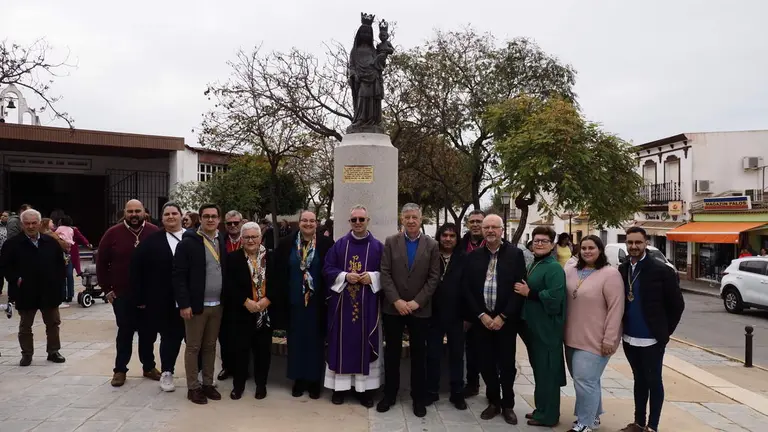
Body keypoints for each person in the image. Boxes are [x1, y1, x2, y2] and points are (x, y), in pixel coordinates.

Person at [619, 227, 685, 432]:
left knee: (654, 381)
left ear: (646, 243)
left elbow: (677, 305)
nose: (633, 246)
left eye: (638, 242)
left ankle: (652, 426)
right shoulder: (623, 269)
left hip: (652, 340)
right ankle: (639, 422)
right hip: (629, 337)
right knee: (639, 380)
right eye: (630, 242)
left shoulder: (661, 270)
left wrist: (664, 332)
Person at [377, 203, 440, 418]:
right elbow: (384, 273)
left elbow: (434, 277)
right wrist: (396, 301)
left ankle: (418, 397)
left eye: (415, 217)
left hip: (419, 310)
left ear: (421, 219)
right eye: (407, 217)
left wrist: (416, 302)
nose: (411, 221)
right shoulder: (390, 242)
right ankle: (390, 394)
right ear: (401, 220)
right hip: (393, 308)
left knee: (418, 355)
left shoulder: (432, 245)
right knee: (392, 353)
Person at [463, 214, 526, 425]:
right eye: (486, 227)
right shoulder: (473, 257)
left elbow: (519, 290)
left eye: (494, 227)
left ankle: (508, 404)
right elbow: (468, 290)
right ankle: (493, 401)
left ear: (501, 230)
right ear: (481, 230)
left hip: (505, 322)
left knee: (507, 365)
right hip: (482, 321)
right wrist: (481, 315)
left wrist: (502, 316)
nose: (490, 231)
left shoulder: (515, 255)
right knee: (486, 363)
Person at [323, 204, 384, 407]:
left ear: (368, 221)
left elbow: (389, 273)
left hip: (367, 306)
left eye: (361, 219)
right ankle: (339, 389)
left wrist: (374, 277)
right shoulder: (339, 245)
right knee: (342, 344)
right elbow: (327, 269)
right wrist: (344, 276)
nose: (358, 223)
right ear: (349, 222)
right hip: (342, 308)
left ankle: (363, 391)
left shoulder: (377, 247)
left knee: (364, 344)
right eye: (354, 220)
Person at [97, 200, 161, 387]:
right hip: (122, 294)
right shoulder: (112, 233)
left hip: (149, 294)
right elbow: (101, 263)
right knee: (125, 332)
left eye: (137, 211)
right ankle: (120, 370)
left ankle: (148, 366)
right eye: (130, 211)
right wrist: (107, 289)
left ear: (144, 213)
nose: (134, 214)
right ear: (124, 213)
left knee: (148, 333)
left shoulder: (154, 232)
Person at [271, 210, 334, 399]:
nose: (308, 224)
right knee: (296, 341)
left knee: (315, 341)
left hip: (317, 304)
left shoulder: (326, 244)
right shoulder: (286, 243)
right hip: (294, 302)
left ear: (317, 223)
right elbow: (279, 273)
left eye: (312, 221)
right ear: (299, 223)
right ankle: (298, 379)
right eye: (305, 220)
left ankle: (314, 381)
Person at [564, 235, 625, 432]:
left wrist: (610, 339)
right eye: (584, 248)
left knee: (585, 381)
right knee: (587, 380)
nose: (587, 251)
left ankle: (585, 423)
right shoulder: (571, 270)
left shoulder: (610, 274)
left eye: (592, 247)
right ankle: (594, 416)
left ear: (600, 250)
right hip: (572, 337)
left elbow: (616, 309)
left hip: (596, 340)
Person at [173, 203, 228, 404]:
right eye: (206, 216)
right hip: (196, 306)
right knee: (193, 347)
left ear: (219, 219)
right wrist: (184, 304)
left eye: (214, 216)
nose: (210, 220)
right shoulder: (188, 243)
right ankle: (193, 387)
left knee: (211, 346)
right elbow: (179, 276)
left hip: (217, 305)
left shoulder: (220, 240)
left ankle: (207, 383)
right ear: (201, 219)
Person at [131, 202, 189, 392]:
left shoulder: (193, 238)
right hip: (165, 301)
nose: (171, 217)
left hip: (192, 299)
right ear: (161, 218)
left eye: (174, 213)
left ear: (181, 216)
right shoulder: (152, 241)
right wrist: (140, 298)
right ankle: (167, 373)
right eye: (166, 214)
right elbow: (137, 270)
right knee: (169, 339)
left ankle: (198, 374)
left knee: (195, 340)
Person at [515, 226, 567, 427]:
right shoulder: (537, 263)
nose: (539, 243)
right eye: (536, 240)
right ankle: (541, 409)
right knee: (539, 370)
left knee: (548, 371)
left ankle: (549, 416)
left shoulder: (553, 267)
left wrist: (530, 293)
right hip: (534, 326)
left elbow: (555, 298)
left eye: (544, 241)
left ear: (552, 244)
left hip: (547, 328)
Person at [0, 209, 67, 366]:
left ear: (39, 223)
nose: (30, 226)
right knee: (25, 326)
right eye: (27, 223)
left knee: (53, 323)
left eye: (34, 223)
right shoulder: (12, 244)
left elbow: (60, 265)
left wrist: (58, 282)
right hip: (25, 291)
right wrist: (16, 280)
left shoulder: (50, 242)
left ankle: (53, 351)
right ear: (22, 225)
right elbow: (5, 266)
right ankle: (27, 354)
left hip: (48, 291)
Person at [223, 222, 273, 400]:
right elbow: (228, 285)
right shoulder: (232, 258)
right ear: (241, 239)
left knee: (263, 353)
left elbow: (279, 282)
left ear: (260, 238)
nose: (250, 240)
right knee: (240, 352)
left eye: (254, 237)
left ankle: (261, 385)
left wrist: (267, 300)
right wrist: (245, 302)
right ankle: (238, 386)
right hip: (241, 313)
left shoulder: (271, 257)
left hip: (264, 314)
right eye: (247, 237)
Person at [425, 223, 468, 410]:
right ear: (439, 237)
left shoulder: (464, 259)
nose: (448, 239)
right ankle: (432, 391)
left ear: (457, 238)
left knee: (457, 356)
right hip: (433, 314)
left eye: (452, 235)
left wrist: (468, 316)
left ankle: (457, 393)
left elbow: (469, 289)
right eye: (445, 235)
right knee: (432, 355)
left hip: (457, 315)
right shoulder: (431, 257)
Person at [458, 209, 485, 398]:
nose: (475, 225)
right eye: (472, 221)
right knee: (471, 348)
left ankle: (494, 387)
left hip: (490, 306)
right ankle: (472, 383)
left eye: (479, 221)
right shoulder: (461, 245)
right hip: (467, 306)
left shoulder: (494, 245)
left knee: (491, 351)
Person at [217, 210, 244, 382]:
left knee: (242, 334)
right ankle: (227, 366)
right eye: (229, 224)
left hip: (245, 294)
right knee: (225, 334)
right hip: (224, 294)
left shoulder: (250, 239)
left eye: (236, 223)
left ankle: (242, 368)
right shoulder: (220, 241)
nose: (233, 226)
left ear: (241, 223)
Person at [55, 217, 76, 304]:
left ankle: (63, 295)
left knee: (62, 274)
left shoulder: (59, 228)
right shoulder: (71, 229)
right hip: (69, 251)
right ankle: (70, 294)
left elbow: (55, 235)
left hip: (61, 251)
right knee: (69, 275)